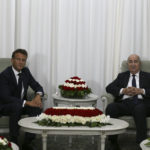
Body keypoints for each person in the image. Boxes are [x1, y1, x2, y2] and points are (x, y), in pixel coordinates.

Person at [0, 49, 44, 150]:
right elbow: (6, 98)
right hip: (5, 106)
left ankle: (28, 141)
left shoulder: (25, 71)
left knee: (36, 107)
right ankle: (14, 141)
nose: (21, 62)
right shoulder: (4, 75)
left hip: (21, 104)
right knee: (16, 106)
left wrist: (38, 96)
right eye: (18, 59)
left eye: (23, 60)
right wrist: (28, 102)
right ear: (12, 60)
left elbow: (38, 86)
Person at [105, 54, 150, 150]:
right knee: (111, 107)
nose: (133, 64)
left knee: (139, 108)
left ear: (139, 63)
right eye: (130, 62)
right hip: (125, 104)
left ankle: (142, 142)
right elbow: (109, 88)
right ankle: (113, 141)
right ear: (128, 64)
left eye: (135, 61)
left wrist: (141, 91)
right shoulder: (122, 76)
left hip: (142, 104)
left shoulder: (147, 76)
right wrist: (123, 90)